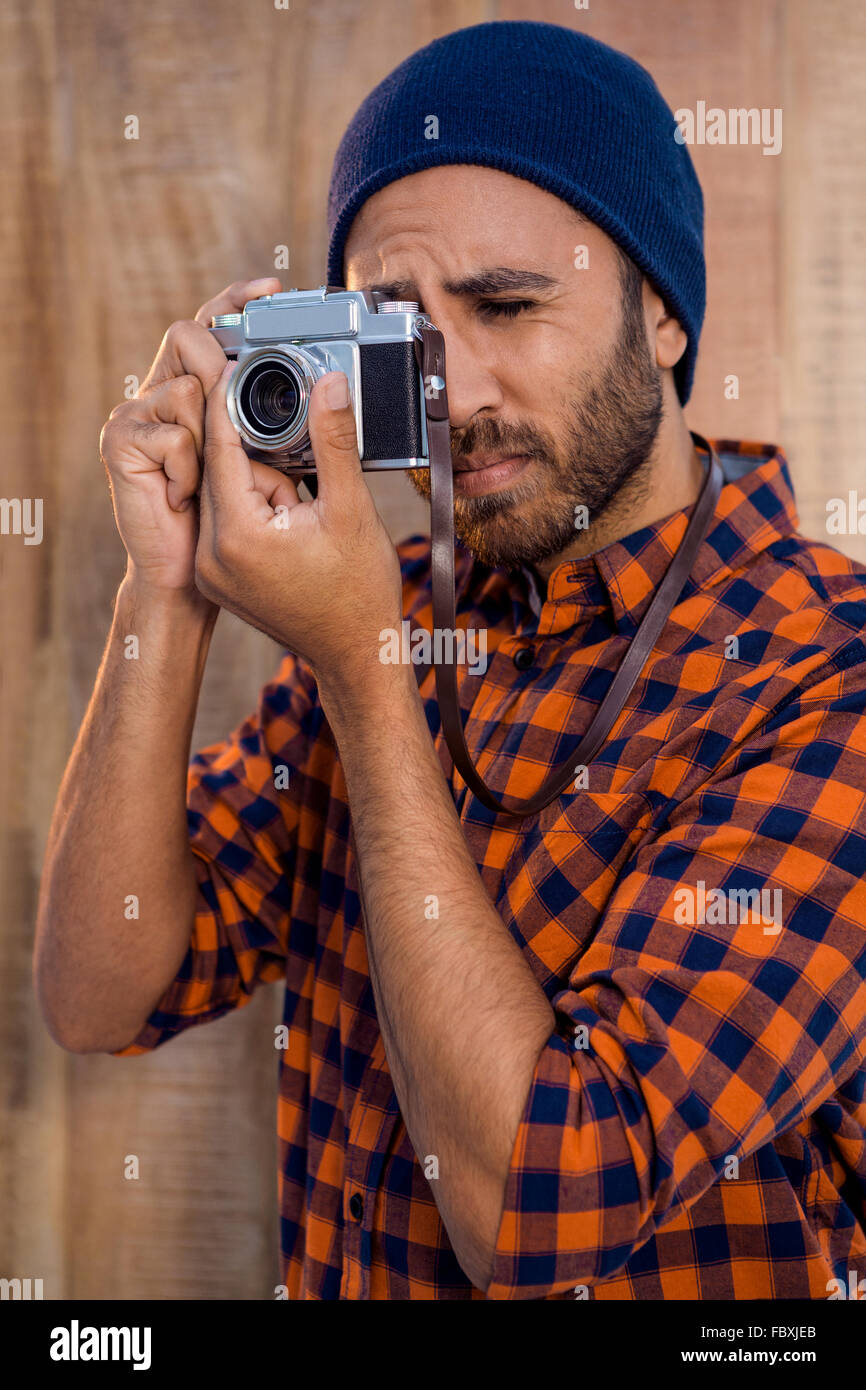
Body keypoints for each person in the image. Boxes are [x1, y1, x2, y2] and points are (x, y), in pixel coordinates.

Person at [35, 20, 866, 1300]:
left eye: (506, 306)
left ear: (658, 309)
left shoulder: (823, 672)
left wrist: (367, 671)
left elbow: (542, 1205)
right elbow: (101, 988)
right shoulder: (388, 606)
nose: (450, 387)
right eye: (395, 331)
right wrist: (167, 589)